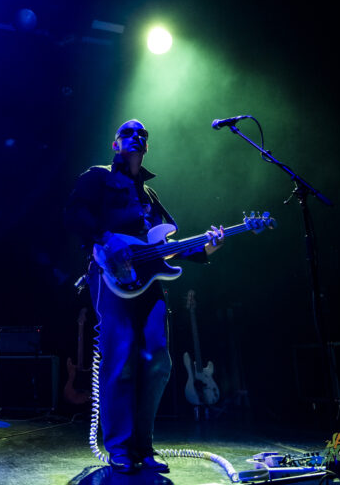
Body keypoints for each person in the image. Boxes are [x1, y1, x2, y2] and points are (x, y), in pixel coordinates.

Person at [65, 119, 224, 474]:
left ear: (147, 147)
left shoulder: (150, 196)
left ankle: (143, 444)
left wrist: (206, 248)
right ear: (115, 143)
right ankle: (119, 446)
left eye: (143, 135)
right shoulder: (97, 176)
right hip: (109, 275)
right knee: (119, 355)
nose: (136, 137)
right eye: (128, 133)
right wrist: (106, 239)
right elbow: (74, 213)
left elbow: (167, 247)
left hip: (149, 284)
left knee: (158, 359)